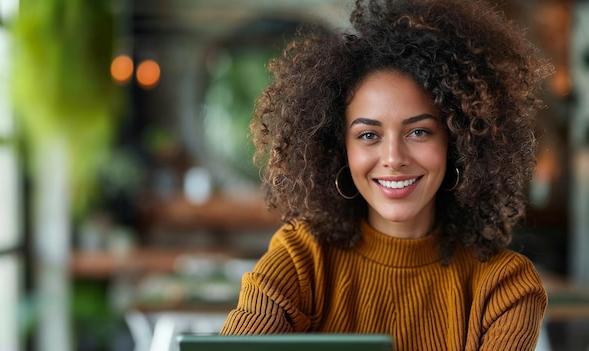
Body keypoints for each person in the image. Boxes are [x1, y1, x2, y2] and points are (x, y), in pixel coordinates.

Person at [220, 0, 553, 349]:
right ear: (340, 149)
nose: (393, 158)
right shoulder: (302, 259)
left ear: (459, 141)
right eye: (368, 135)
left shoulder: (505, 287)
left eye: (419, 132)